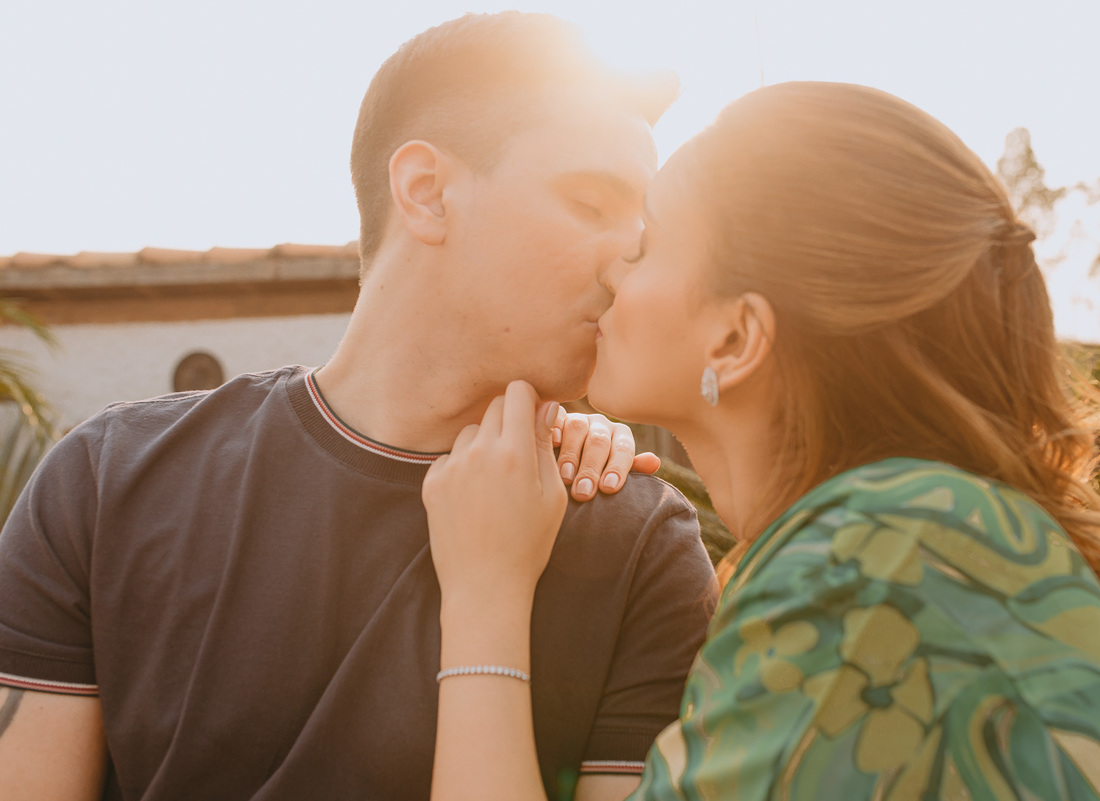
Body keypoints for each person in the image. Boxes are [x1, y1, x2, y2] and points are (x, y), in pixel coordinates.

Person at [0, 13, 718, 800]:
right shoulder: (108, 482)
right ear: (426, 193)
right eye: (591, 204)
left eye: (641, 230)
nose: (629, 262)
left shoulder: (643, 542)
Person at [422, 81, 1100, 799]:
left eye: (648, 243)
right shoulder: (920, 531)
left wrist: (485, 588)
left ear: (735, 338)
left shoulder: (875, 563)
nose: (614, 268)